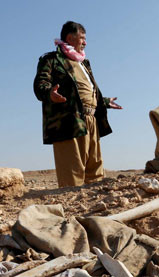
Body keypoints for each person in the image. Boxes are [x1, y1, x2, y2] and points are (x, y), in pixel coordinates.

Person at [33, 21, 123, 188]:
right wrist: (50, 94)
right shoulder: (52, 60)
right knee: (72, 176)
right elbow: (40, 85)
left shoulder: (83, 63)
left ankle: (93, 209)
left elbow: (85, 91)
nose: (85, 42)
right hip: (69, 121)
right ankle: (72, 211)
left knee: (94, 173)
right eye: (82, 38)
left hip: (91, 120)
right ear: (70, 38)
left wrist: (104, 102)